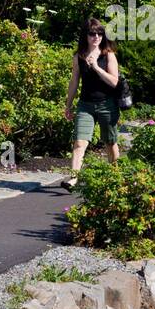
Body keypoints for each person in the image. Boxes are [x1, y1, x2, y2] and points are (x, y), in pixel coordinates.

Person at [61, 17, 121, 190]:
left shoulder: (108, 55)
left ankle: (115, 176)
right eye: (92, 33)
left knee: (110, 142)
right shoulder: (78, 57)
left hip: (107, 104)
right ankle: (74, 178)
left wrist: (96, 67)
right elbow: (74, 81)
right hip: (85, 105)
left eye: (99, 33)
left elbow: (114, 82)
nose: (96, 37)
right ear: (85, 36)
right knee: (79, 142)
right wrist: (68, 104)